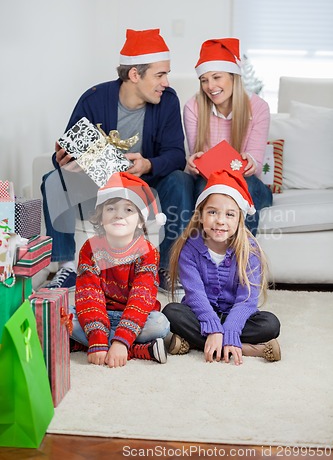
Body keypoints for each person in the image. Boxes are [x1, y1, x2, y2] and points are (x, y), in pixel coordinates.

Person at [41, 28, 193, 291]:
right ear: (135, 74)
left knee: (180, 180)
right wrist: (62, 160)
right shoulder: (94, 98)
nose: (166, 82)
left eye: (166, 74)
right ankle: (66, 267)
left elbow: (177, 156)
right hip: (101, 188)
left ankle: (167, 268)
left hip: (146, 187)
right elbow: (67, 154)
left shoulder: (168, 101)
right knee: (53, 179)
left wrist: (148, 164)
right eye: (160, 74)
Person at [162, 169, 281, 365]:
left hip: (236, 316)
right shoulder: (189, 249)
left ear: (239, 219)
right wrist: (214, 329)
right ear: (200, 215)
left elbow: (247, 300)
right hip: (200, 313)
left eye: (230, 214)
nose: (220, 220)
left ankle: (196, 342)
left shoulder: (249, 251)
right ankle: (243, 348)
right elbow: (195, 295)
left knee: (270, 324)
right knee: (172, 313)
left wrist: (231, 329)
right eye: (212, 212)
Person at [69, 172, 170, 367]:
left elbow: (141, 298)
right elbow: (88, 294)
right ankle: (139, 350)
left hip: (135, 317)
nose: (118, 214)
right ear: (100, 217)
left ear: (141, 221)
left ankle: (95, 345)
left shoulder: (147, 252)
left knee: (160, 325)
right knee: (63, 318)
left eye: (128, 209)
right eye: (111, 208)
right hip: (98, 313)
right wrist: (97, 336)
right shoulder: (91, 248)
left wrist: (122, 338)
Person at [184, 37, 273, 236]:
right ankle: (205, 256)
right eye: (204, 80)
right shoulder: (193, 107)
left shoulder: (258, 107)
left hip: (247, 182)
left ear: (233, 76)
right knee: (203, 185)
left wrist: (250, 162)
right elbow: (200, 161)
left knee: (246, 185)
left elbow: (256, 166)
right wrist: (194, 164)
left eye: (217, 77)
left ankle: (243, 258)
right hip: (210, 182)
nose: (210, 86)